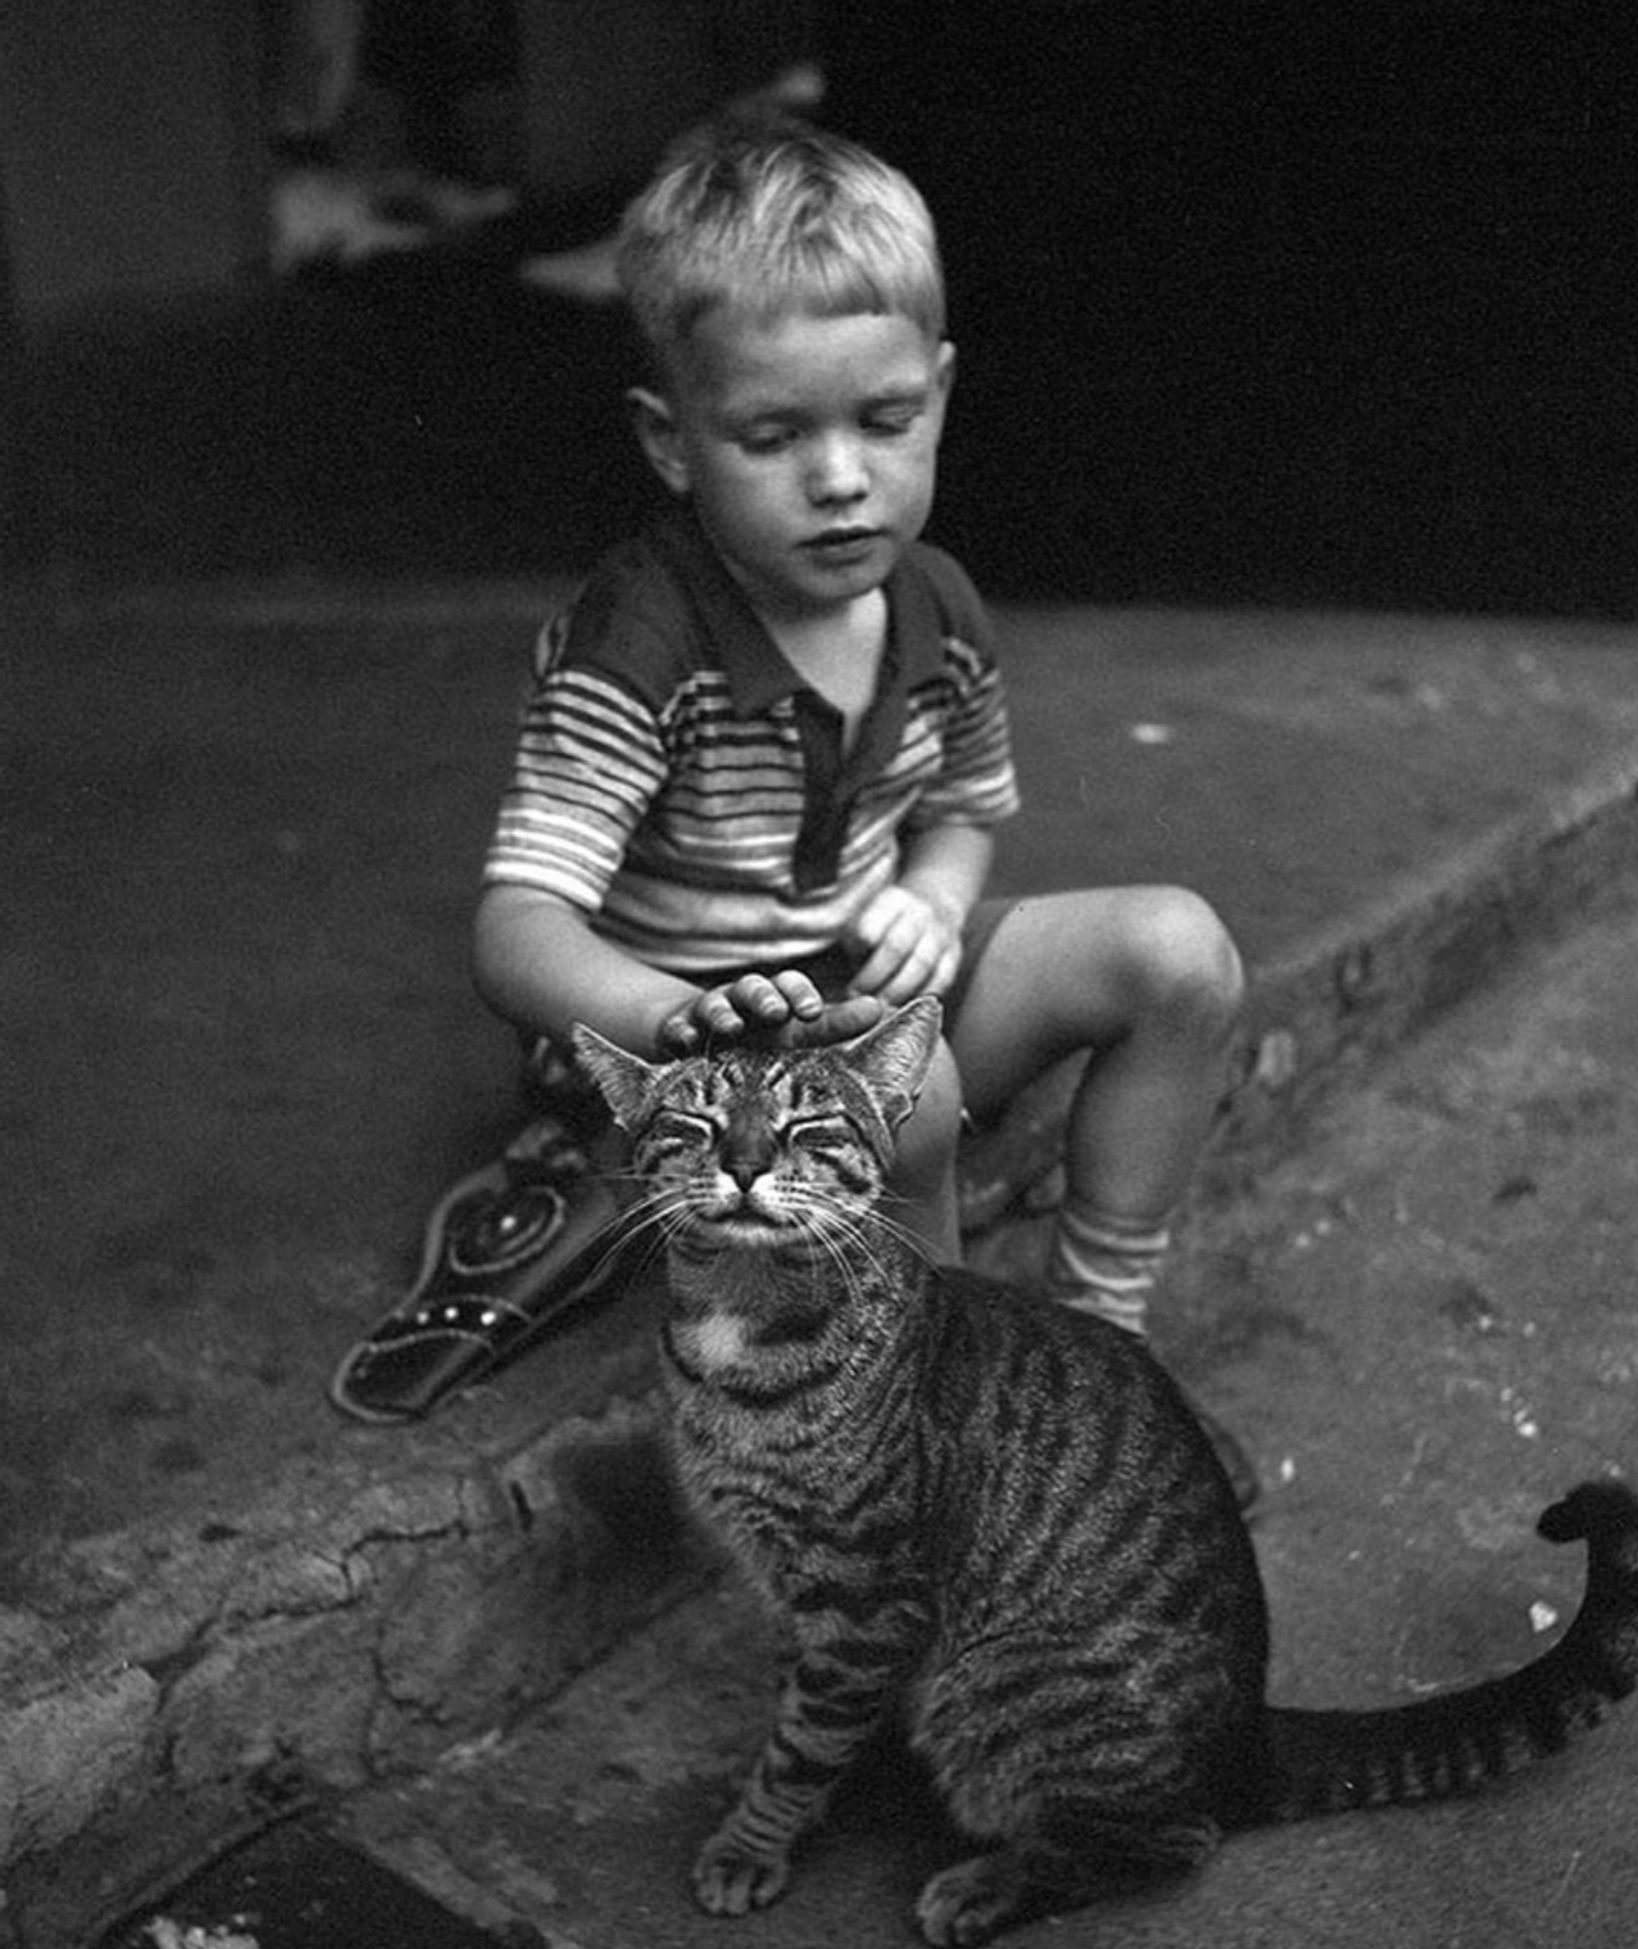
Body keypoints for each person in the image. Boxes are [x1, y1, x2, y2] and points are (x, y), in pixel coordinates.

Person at [329, 113, 1255, 1503]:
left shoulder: (936, 605)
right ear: (672, 441)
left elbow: (956, 811)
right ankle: (944, 1424)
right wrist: (666, 1020)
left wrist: (935, 905)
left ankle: (1099, 1350)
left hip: (855, 995)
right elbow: (516, 933)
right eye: (772, 433)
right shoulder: (639, 645)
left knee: (1179, 948)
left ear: (939, 390)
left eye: (884, 420)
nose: (840, 477)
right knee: (916, 1094)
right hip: (688, 1051)